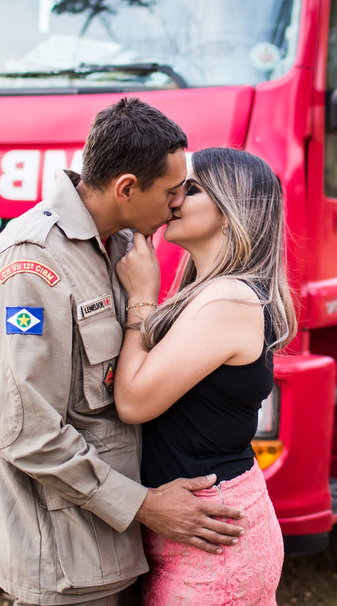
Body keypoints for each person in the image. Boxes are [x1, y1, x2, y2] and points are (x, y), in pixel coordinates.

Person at [0, 98, 244, 606]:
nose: (178, 203)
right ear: (126, 188)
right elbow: (23, 428)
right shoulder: (33, 265)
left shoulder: (119, 245)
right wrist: (144, 506)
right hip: (68, 563)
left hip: (114, 548)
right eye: (171, 191)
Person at [114, 147, 296, 605]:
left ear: (231, 210)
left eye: (189, 189)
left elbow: (134, 401)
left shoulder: (227, 300)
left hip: (212, 546)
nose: (172, 198)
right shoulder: (214, 292)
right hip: (203, 529)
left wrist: (142, 296)